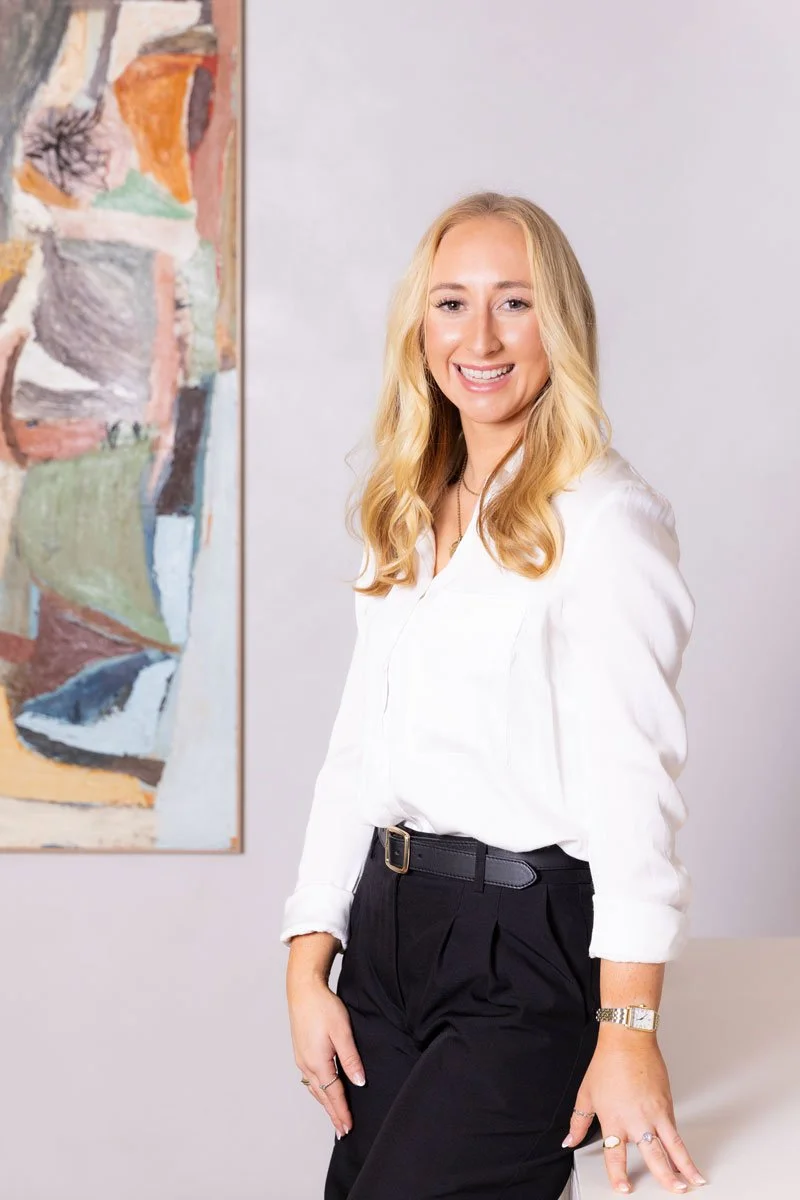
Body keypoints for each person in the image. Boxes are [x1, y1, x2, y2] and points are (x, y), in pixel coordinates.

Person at [280, 191, 707, 1199]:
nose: (477, 337)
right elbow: (356, 757)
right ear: (416, 328)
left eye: (512, 303)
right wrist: (307, 965)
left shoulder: (606, 522)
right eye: (449, 304)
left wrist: (627, 1030)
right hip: (385, 936)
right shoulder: (402, 513)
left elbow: (631, 785)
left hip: (523, 952)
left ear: (556, 324)